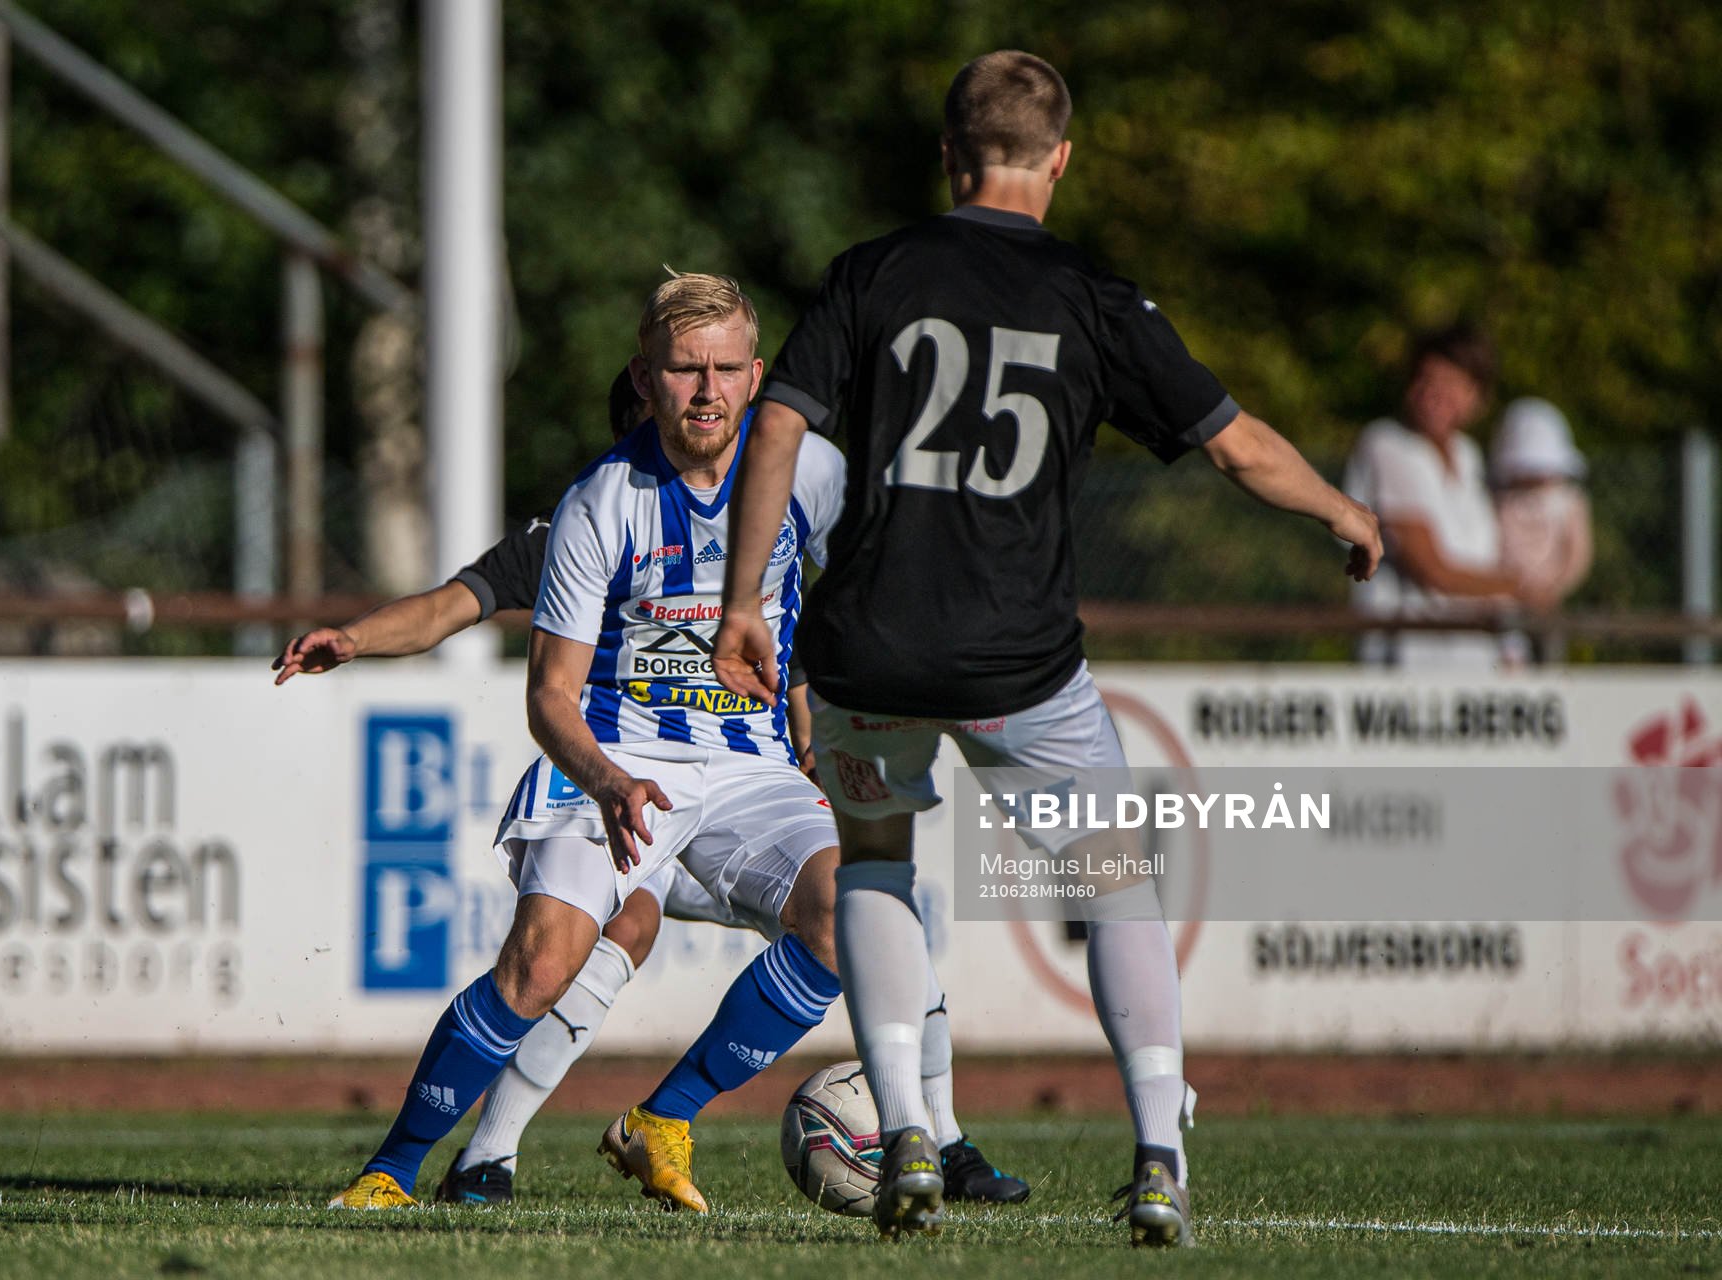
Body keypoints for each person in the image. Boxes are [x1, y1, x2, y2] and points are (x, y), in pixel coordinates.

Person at [710, 51, 1381, 1245]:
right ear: (1062, 156)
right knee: (1116, 881)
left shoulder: (873, 272)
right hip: (1019, 661)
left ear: (948, 154)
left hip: (867, 646)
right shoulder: (1092, 297)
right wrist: (1341, 509)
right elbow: (1235, 447)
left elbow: (777, 423)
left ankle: (908, 1126)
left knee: (875, 860)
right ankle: (1160, 1151)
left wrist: (741, 600)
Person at [310, 272, 1025, 1214]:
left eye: (727, 370)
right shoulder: (596, 507)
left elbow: (859, 595)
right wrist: (604, 778)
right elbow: (537, 684)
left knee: (862, 909)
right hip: (617, 762)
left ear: (756, 376)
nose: (707, 390)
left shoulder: (806, 472)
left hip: (747, 774)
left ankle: (689, 1119)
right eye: (685, 370)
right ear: (646, 380)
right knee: (547, 958)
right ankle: (399, 1169)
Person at [1342, 324, 1533, 668]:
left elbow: (1479, 558)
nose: (1434, 394)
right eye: (1426, 379)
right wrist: (1519, 587)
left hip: (1476, 661)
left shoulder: (1468, 455)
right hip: (1409, 662)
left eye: (1452, 383)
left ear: (1477, 395)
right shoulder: (1388, 445)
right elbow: (1432, 569)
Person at [1490, 396, 1591, 665]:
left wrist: (1554, 586)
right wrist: (1510, 585)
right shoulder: (1500, 501)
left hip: (1550, 598)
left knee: (1551, 653)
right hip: (1506, 596)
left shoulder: (1569, 502)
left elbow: (1577, 553)